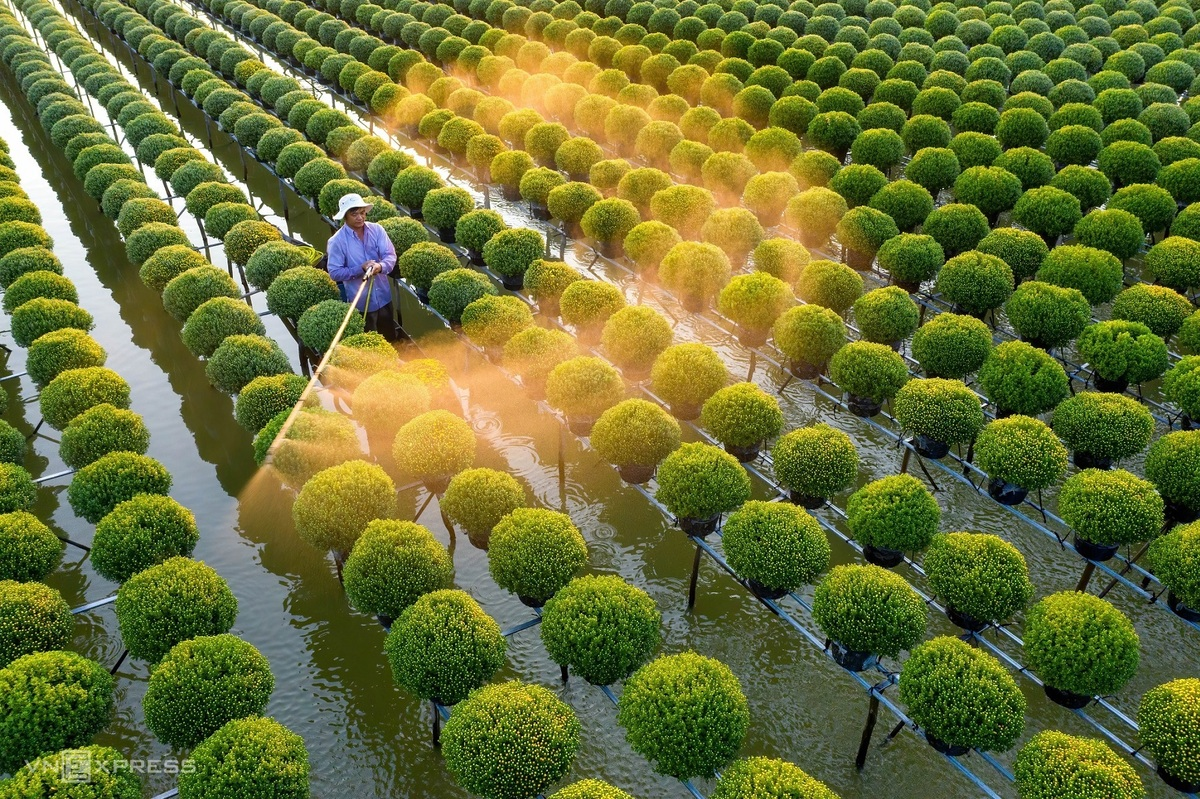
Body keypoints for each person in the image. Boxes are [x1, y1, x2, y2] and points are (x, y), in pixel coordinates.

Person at [326, 193, 401, 340]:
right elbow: (334, 272)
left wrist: (380, 266)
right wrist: (360, 268)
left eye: (362, 213)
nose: (360, 217)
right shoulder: (337, 241)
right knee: (370, 341)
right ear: (345, 217)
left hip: (384, 297)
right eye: (354, 214)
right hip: (361, 303)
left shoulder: (377, 230)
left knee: (390, 336)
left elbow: (390, 255)